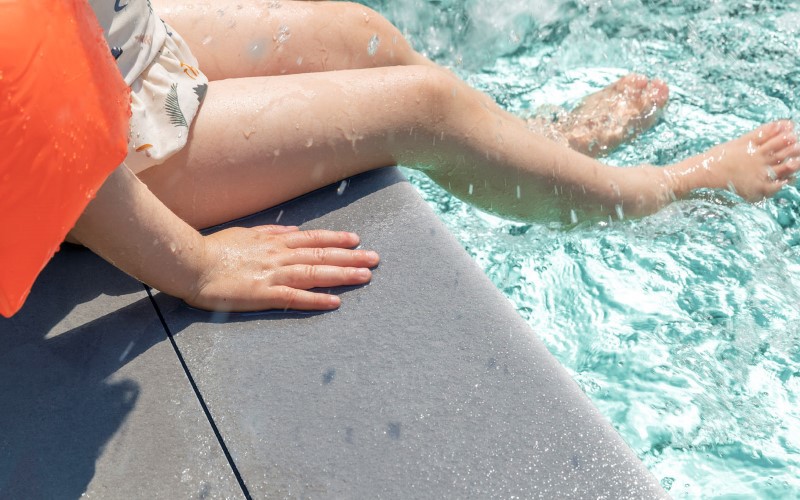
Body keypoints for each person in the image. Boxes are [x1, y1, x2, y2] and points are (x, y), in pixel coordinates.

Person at [70, 0, 800, 313]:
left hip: (116, 50)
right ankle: (660, 189)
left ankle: (540, 146)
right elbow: (37, 146)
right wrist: (197, 268)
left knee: (364, 38)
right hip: (106, 149)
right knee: (427, 111)